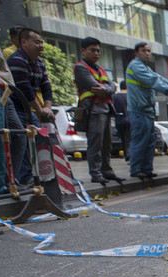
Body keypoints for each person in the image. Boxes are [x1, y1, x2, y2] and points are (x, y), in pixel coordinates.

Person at [125, 41, 168, 181]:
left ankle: (147, 169)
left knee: (150, 142)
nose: (147, 53)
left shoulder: (145, 67)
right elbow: (153, 81)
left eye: (149, 51)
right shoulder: (136, 66)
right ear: (136, 53)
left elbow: (158, 78)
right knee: (140, 141)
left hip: (147, 111)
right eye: (144, 50)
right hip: (139, 111)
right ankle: (136, 169)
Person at [7, 28, 54, 186]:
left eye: (41, 42)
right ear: (24, 42)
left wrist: (47, 108)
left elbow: (47, 88)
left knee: (37, 137)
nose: (40, 45)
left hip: (28, 110)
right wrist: (40, 110)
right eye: (36, 42)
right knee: (21, 137)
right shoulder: (16, 60)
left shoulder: (40, 62)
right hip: (13, 107)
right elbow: (24, 90)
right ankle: (19, 177)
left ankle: (37, 175)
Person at [73, 37, 121, 185]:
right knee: (96, 143)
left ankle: (106, 170)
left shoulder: (100, 68)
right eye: (92, 50)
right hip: (92, 110)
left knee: (107, 143)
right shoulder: (81, 68)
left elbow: (112, 86)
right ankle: (96, 173)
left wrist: (107, 89)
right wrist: (108, 88)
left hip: (105, 109)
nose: (96, 53)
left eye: (98, 50)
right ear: (83, 51)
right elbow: (96, 87)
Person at [0, 0, 25, 193]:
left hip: (2, 93)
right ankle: (0, 184)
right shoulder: (13, 54)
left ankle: (8, 180)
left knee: (15, 135)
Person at [112, 80, 130, 161]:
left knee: (123, 139)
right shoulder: (130, 96)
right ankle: (130, 155)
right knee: (130, 139)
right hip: (130, 120)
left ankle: (127, 154)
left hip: (119, 121)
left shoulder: (115, 97)